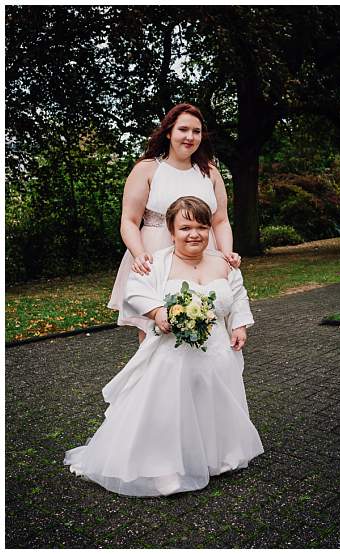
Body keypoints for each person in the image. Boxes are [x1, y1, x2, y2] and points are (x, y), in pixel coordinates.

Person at [66, 196, 263, 496]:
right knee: (171, 407)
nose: (194, 234)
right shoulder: (156, 262)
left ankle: (216, 456)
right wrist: (158, 312)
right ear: (171, 231)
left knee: (214, 400)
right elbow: (135, 290)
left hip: (217, 351)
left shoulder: (224, 263)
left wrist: (238, 325)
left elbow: (237, 295)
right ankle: (166, 465)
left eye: (201, 226)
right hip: (173, 355)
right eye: (185, 227)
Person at [109, 103, 241, 341]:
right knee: (156, 331)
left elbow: (220, 220)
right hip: (154, 253)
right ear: (169, 132)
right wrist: (139, 255)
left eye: (197, 131)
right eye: (183, 129)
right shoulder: (147, 169)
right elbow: (129, 220)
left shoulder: (210, 172)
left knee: (208, 323)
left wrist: (226, 254)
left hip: (203, 253)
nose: (190, 137)